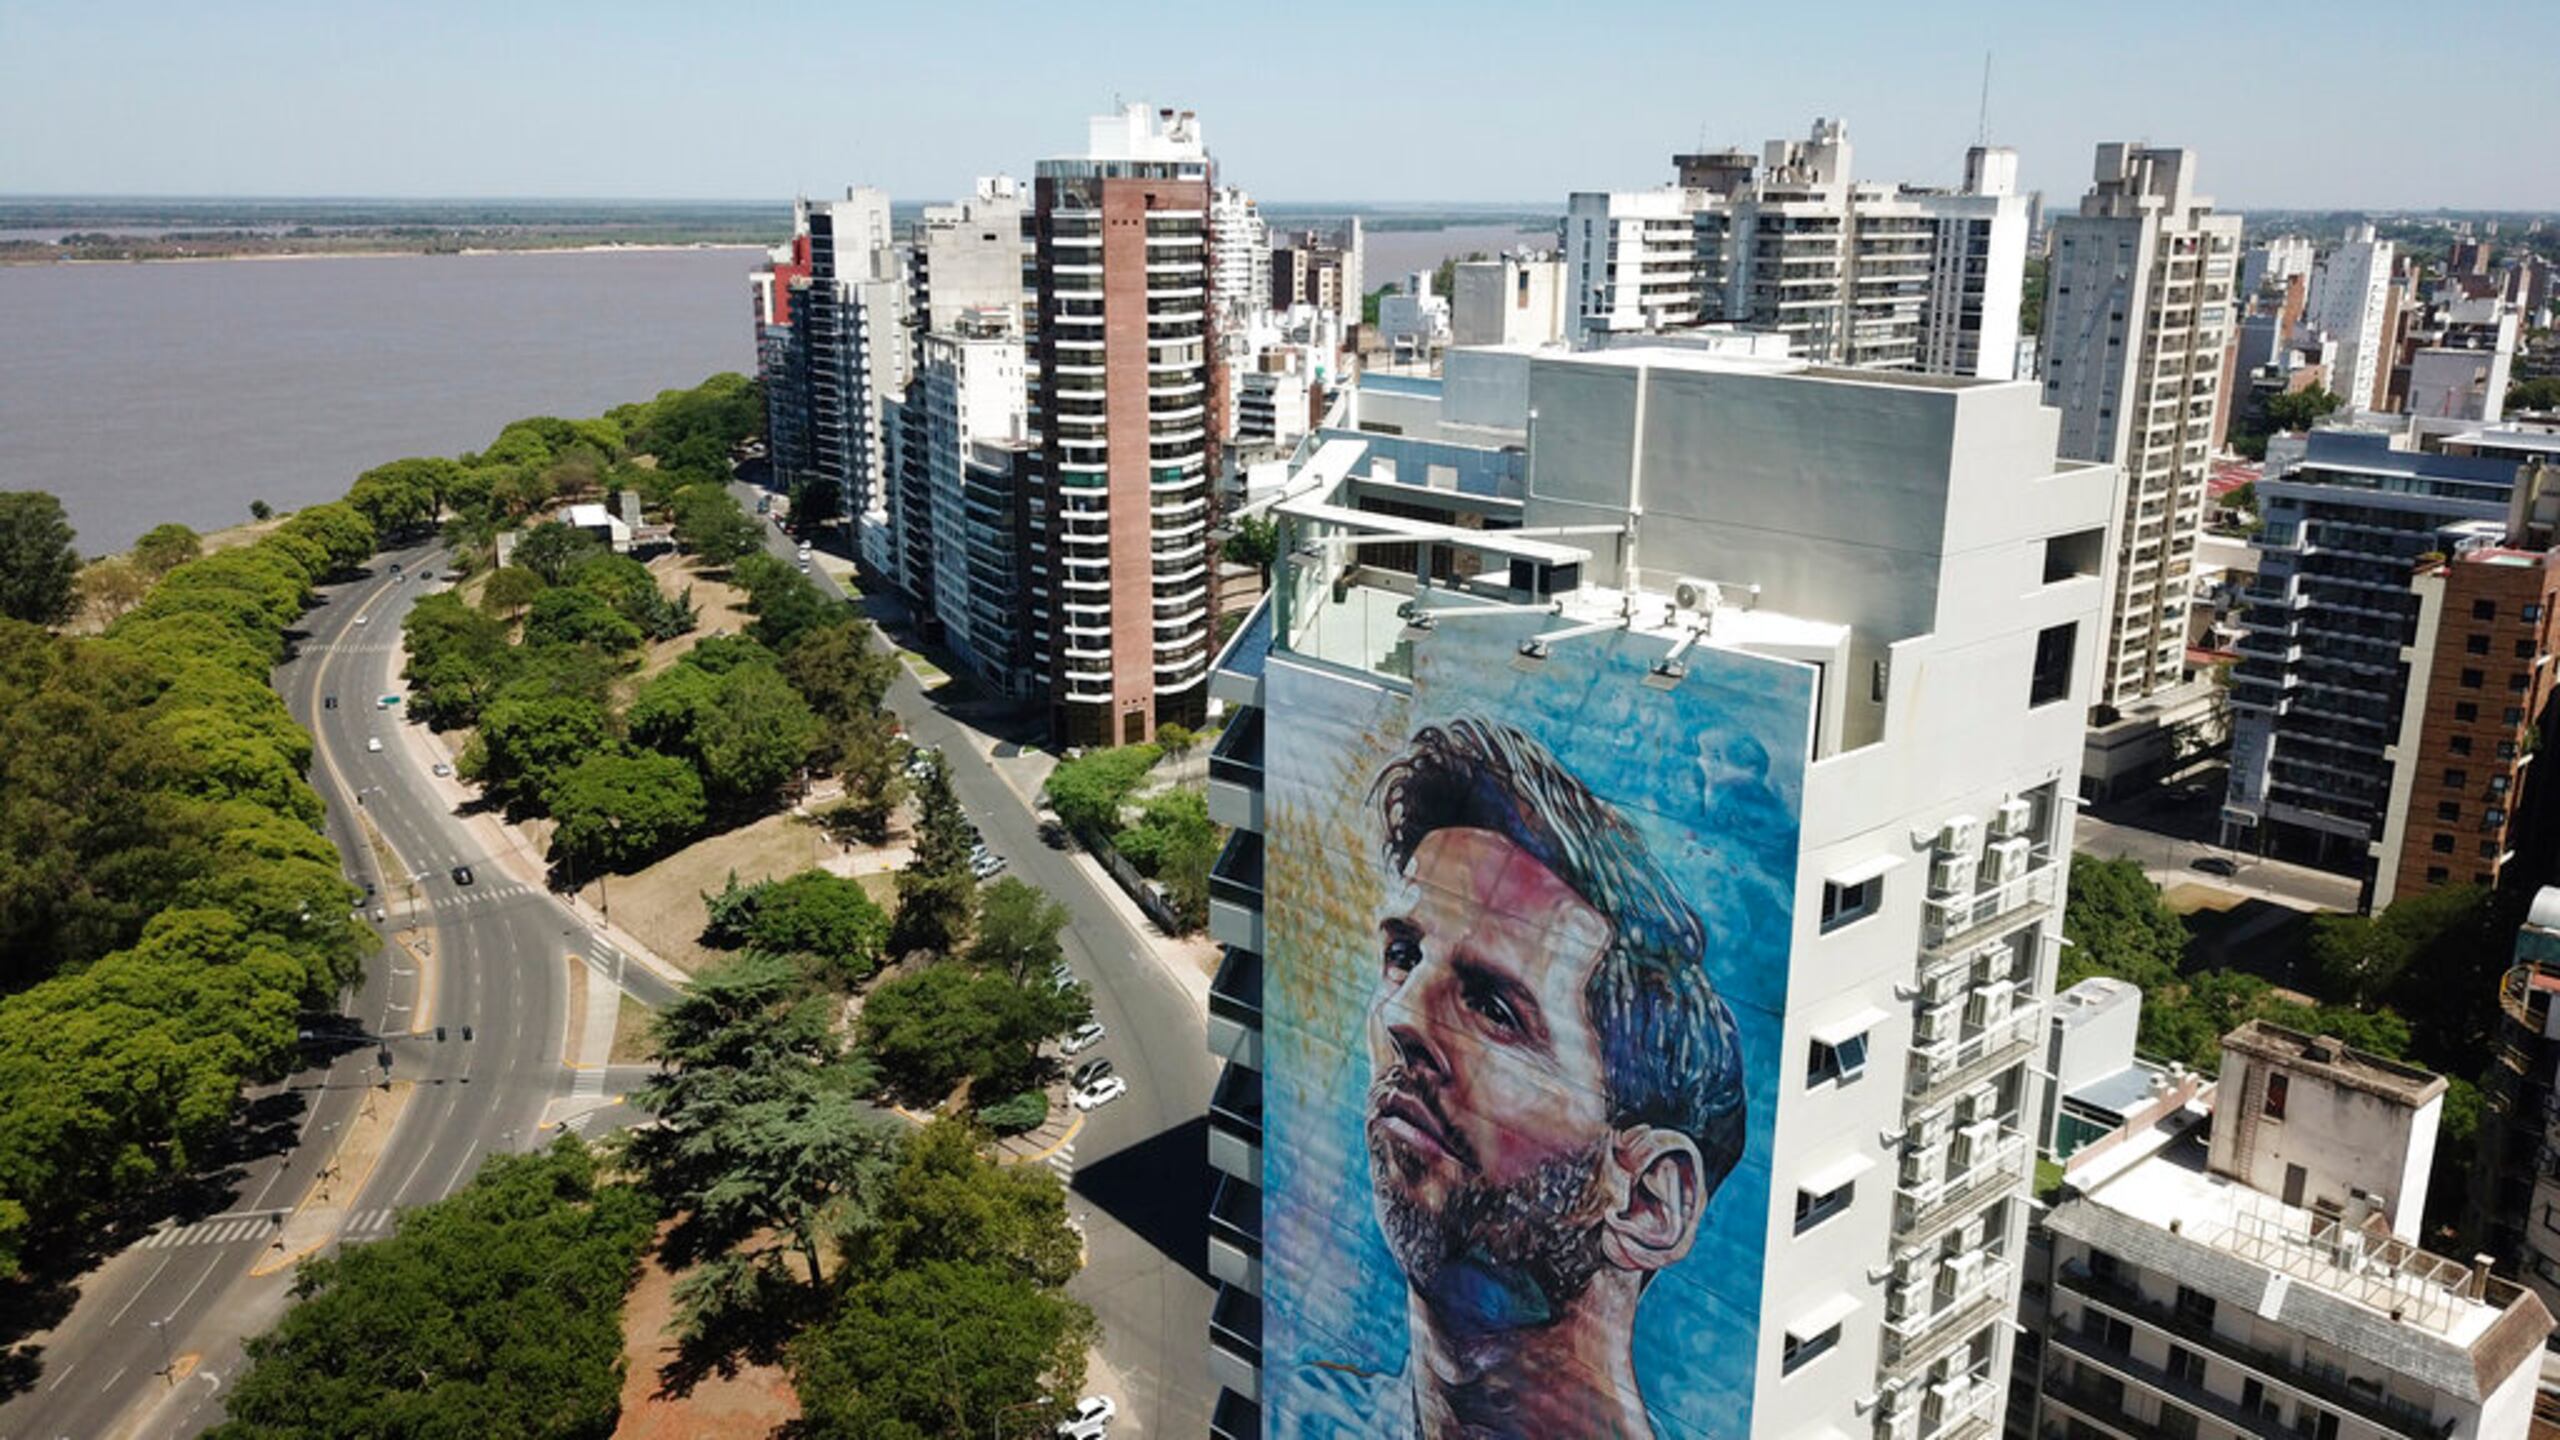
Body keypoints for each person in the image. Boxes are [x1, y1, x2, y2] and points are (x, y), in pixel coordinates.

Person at [1312, 716, 1749, 1439]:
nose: (1400, 1017)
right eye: (1402, 955)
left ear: (1646, 1200)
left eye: (1491, 1005)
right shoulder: (1318, 1413)